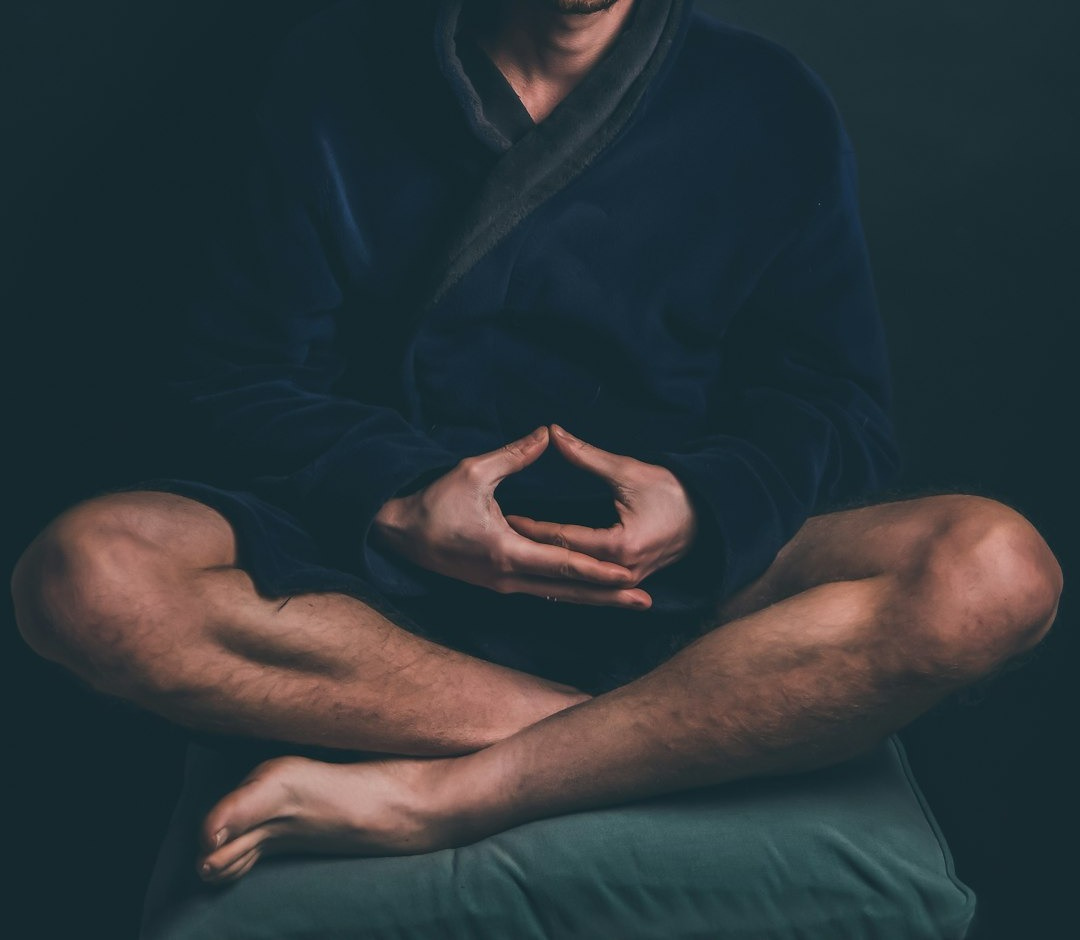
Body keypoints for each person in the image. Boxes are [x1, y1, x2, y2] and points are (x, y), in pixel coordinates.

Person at [10, 0, 1062, 888]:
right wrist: (401, 499)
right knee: (86, 578)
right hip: (380, 590)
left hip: (666, 588)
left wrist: (700, 505)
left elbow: (836, 407)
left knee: (995, 570)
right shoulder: (330, 73)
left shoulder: (767, 102)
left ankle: (454, 792)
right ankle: (661, 736)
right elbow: (230, 379)